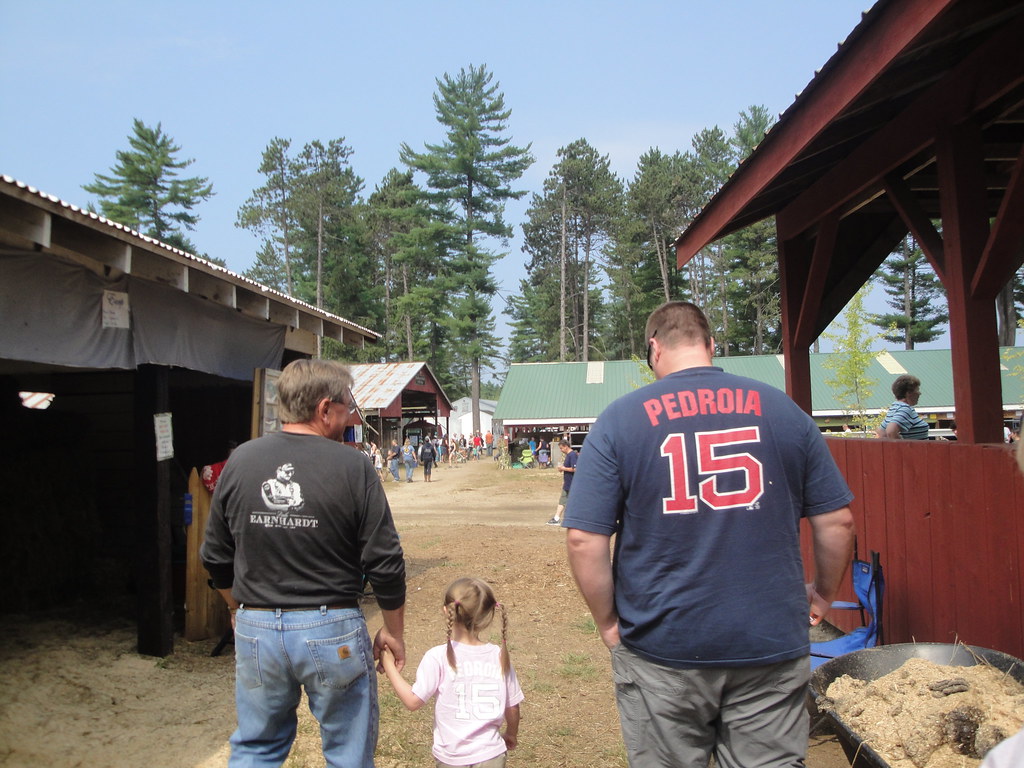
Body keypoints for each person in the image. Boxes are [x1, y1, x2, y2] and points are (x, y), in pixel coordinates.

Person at [562, 301, 855, 768]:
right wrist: (823, 593)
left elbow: (584, 539)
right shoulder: (784, 411)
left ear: (655, 349)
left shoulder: (619, 420)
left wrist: (607, 622)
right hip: (769, 639)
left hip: (664, 642)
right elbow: (837, 521)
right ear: (711, 346)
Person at [200, 358, 406, 768]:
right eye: (347, 408)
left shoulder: (241, 460)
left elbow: (215, 554)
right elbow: (384, 559)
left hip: (257, 626)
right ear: (325, 409)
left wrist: (236, 609)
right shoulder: (353, 466)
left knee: (256, 748)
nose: (349, 418)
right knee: (347, 752)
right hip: (331, 625)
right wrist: (394, 631)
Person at [379, 577, 523, 768]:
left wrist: (388, 665)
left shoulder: (437, 656)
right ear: (487, 614)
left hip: (452, 758)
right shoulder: (499, 655)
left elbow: (413, 701)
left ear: (447, 611)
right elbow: (512, 706)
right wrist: (511, 733)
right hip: (492, 755)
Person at [876, 374, 929, 440]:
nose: (919, 393)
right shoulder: (905, 409)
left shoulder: (895, 407)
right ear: (908, 393)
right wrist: (903, 445)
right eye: (917, 390)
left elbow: (881, 432)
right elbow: (891, 431)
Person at [546, 439, 576, 526]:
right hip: (568, 483)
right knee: (563, 500)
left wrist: (563, 468)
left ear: (566, 447)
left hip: (572, 483)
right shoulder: (568, 455)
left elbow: (575, 469)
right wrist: (562, 469)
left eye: (561, 448)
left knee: (569, 500)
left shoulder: (572, 455)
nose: (561, 450)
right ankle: (557, 518)